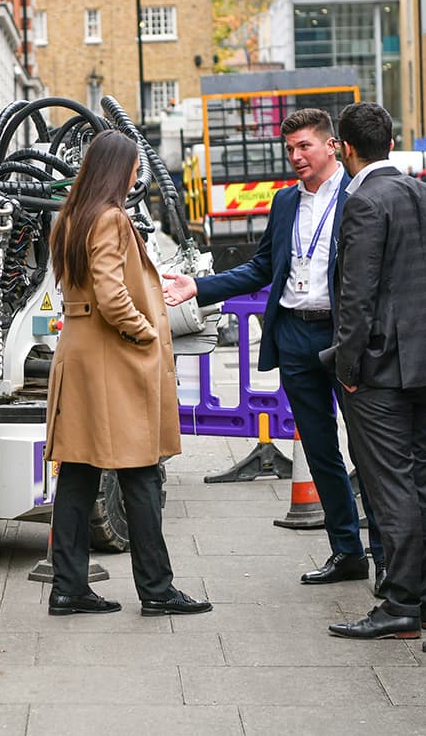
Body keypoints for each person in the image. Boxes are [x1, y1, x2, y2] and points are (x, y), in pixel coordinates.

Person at [163, 108, 383, 589]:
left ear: (332, 146)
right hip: (297, 337)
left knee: (366, 449)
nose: (296, 157)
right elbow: (262, 267)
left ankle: (385, 556)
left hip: (345, 334)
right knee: (321, 451)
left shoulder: (360, 196)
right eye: (290, 149)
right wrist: (200, 287)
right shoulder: (285, 203)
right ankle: (347, 551)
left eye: (304, 146)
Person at [45, 131, 210, 618]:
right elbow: (113, 294)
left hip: (79, 355)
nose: (138, 174)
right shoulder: (111, 219)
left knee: (77, 475)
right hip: (110, 360)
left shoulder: (72, 216)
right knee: (140, 474)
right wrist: (146, 334)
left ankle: (69, 587)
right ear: (120, 170)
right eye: (134, 167)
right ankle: (157, 589)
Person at [324, 102, 426, 640]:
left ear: (346, 147)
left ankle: (401, 604)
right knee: (422, 478)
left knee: (390, 486)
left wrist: (349, 367)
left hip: (379, 368)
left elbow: (355, 297)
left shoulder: (364, 202)